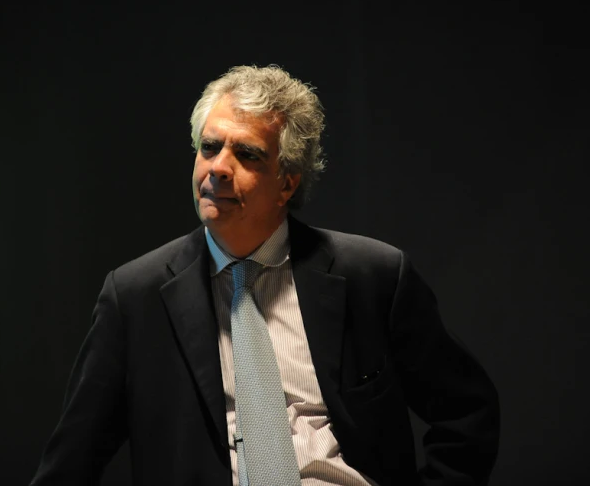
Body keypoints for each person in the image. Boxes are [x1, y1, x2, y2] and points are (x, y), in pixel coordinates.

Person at [29, 65, 500, 486]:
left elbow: (466, 412)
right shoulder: (134, 296)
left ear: (287, 182)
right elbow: (73, 458)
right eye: (209, 147)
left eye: (247, 154)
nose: (218, 168)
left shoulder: (372, 275)